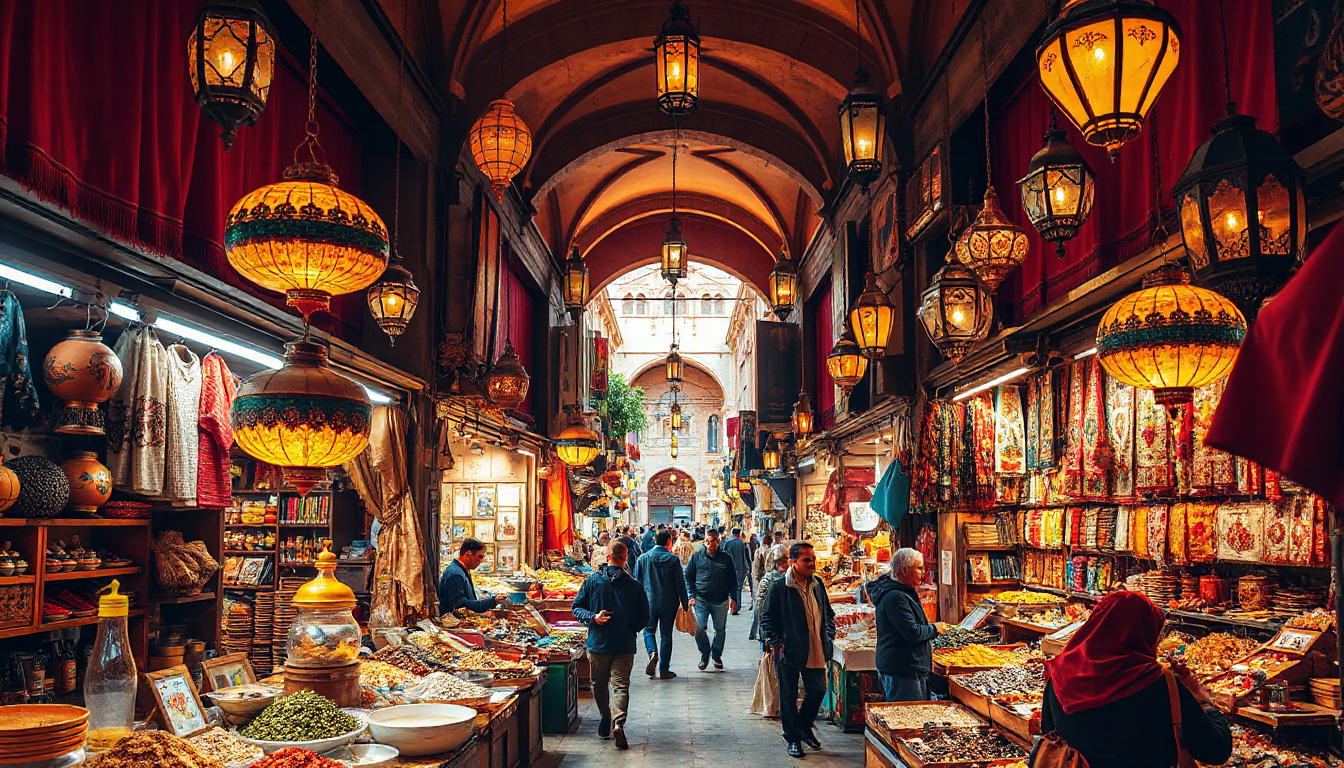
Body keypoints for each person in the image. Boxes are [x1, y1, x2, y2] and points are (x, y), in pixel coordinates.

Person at [1041, 591, 1233, 768]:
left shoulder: (1060, 676)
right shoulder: (1162, 684)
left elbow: (1049, 733)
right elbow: (1216, 750)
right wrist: (1201, 698)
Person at [570, 541, 649, 751]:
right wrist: (631, 628)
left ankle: (606, 718)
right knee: (621, 685)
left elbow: (576, 607)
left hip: (598, 644)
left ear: (607, 555)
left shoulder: (592, 582)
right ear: (625, 558)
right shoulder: (635, 585)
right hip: (624, 644)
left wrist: (592, 617)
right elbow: (644, 616)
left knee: (599, 683)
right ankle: (618, 722)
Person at [760, 541, 835, 758]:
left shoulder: (817, 584)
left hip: (816, 647)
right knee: (789, 696)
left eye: (813, 559)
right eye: (806, 559)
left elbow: (828, 613)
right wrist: (777, 642)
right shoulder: (780, 587)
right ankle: (793, 739)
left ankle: (802, 727)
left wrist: (829, 634)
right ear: (794, 562)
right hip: (790, 651)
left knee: (818, 690)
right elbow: (766, 618)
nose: (812, 563)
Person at [868, 548, 950, 701]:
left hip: (907, 668)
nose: (923, 572)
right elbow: (911, 632)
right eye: (919, 568)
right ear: (904, 570)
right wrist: (934, 629)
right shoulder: (895, 597)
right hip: (902, 670)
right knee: (907, 719)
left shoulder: (902, 593)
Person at [633, 529, 689, 679]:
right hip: (669, 603)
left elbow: (636, 584)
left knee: (649, 630)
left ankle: (652, 652)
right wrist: (685, 603)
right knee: (666, 635)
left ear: (654, 540)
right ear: (669, 542)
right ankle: (664, 669)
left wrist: (634, 606)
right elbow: (680, 584)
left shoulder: (643, 559)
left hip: (648, 603)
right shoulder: (673, 559)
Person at [683, 527, 738, 670]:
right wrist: (691, 595)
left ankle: (716, 655)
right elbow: (688, 576)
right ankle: (705, 654)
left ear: (718, 541)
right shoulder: (697, 556)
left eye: (711, 542)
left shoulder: (726, 558)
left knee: (720, 630)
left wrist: (734, 597)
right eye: (706, 542)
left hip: (721, 600)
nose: (709, 545)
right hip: (701, 600)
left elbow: (732, 579)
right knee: (699, 628)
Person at [437, 539, 508, 614]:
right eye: (480, 556)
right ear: (468, 554)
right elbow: (459, 606)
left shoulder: (461, 570)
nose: (481, 560)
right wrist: (491, 601)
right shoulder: (455, 574)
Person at [750, 543, 790, 643]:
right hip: (772, 625)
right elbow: (759, 605)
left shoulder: (792, 579)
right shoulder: (768, 580)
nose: (783, 565)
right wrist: (760, 630)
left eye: (785, 561)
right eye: (780, 562)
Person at [721, 527, 752, 614]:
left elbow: (724, 556)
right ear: (739, 534)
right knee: (738, 588)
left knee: (731, 588)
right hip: (740, 569)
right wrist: (747, 569)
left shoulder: (728, 543)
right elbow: (745, 557)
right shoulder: (743, 543)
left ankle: (731, 606)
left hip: (729, 569)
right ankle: (736, 607)